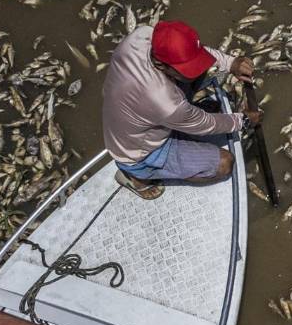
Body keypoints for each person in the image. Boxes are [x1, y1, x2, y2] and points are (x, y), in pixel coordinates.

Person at [101, 20, 260, 200]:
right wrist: (243, 121)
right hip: (141, 153)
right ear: (161, 65)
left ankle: (181, 122)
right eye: (187, 68)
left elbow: (195, 52)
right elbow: (207, 124)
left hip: (130, 118)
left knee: (201, 72)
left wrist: (229, 63)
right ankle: (137, 178)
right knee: (224, 164)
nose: (196, 69)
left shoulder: (141, 36)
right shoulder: (165, 101)